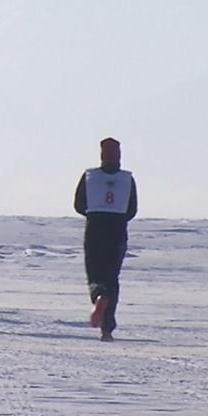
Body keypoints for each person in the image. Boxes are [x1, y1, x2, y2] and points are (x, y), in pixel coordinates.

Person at [74, 137, 138, 342]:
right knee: (112, 277)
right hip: (117, 228)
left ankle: (98, 297)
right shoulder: (127, 179)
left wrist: (95, 214)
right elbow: (132, 209)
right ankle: (107, 328)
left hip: (95, 226)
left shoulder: (90, 176)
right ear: (119, 156)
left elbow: (78, 204)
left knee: (95, 272)